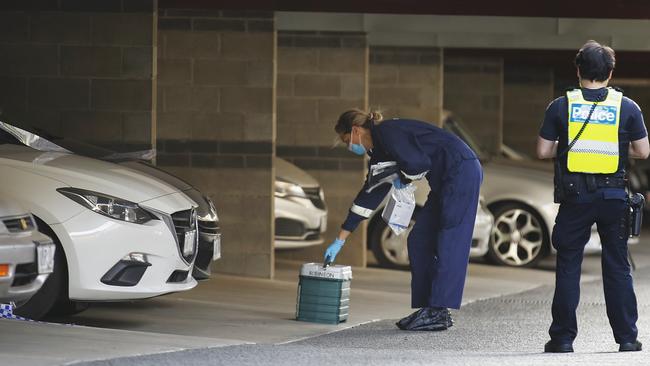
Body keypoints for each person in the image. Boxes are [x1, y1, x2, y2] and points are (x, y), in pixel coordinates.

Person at [323, 109, 483, 331]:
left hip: (461, 171)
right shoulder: (379, 151)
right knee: (419, 239)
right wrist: (340, 239)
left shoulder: (388, 133)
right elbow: (369, 195)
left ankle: (437, 310)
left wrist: (401, 176)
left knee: (450, 241)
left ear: (356, 130)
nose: (349, 146)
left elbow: (417, 163)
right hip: (444, 180)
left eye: (346, 140)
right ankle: (433, 309)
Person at [537, 40, 649, 353]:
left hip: (575, 198)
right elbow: (643, 151)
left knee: (568, 265)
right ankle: (626, 338)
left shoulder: (560, 106)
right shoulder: (627, 107)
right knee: (617, 266)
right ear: (611, 72)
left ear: (578, 70)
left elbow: (543, 150)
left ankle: (562, 339)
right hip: (614, 196)